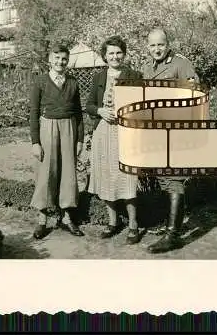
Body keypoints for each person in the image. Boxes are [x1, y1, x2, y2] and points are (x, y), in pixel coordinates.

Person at [142, 28, 200, 254]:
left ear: (168, 44)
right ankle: (170, 225)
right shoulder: (148, 68)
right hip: (157, 132)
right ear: (148, 47)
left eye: (160, 45)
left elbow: (194, 96)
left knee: (174, 180)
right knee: (165, 180)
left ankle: (172, 236)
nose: (156, 49)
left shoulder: (181, 64)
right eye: (152, 45)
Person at [86, 36, 142, 245]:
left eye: (118, 52)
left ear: (124, 54)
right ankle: (112, 222)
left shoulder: (134, 75)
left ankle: (134, 225)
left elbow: (141, 106)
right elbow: (89, 105)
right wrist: (100, 110)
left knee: (128, 177)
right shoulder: (98, 77)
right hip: (103, 132)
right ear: (105, 56)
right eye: (111, 53)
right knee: (107, 176)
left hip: (125, 133)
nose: (115, 56)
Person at [29, 44, 84, 239]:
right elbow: (34, 113)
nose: (60, 62)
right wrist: (35, 142)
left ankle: (67, 217)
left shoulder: (73, 82)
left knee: (69, 173)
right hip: (47, 127)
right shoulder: (40, 81)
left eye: (64, 59)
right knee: (46, 173)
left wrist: (80, 140)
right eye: (57, 58)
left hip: (69, 127)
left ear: (67, 61)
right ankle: (42, 219)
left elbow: (78, 113)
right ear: (50, 60)